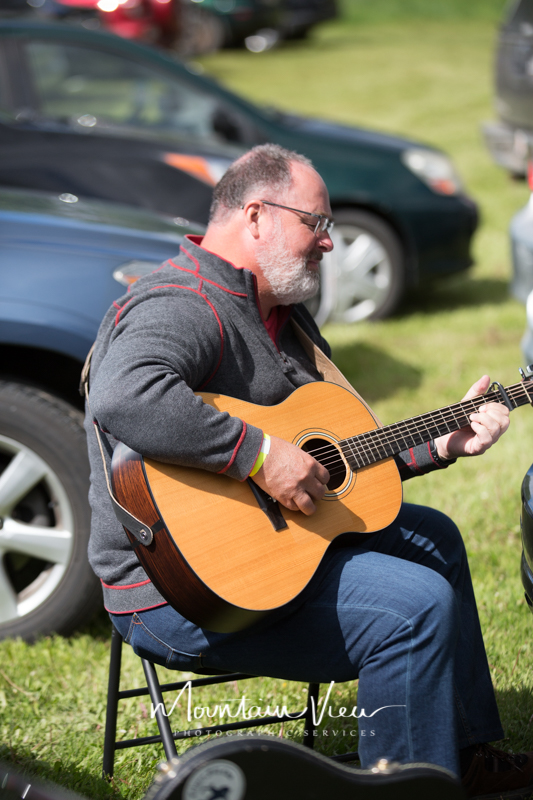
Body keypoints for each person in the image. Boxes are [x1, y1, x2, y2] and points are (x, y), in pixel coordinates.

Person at [84, 144, 531, 799]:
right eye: (316, 224)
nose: (328, 242)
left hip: (267, 555)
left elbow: (332, 456)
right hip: (176, 590)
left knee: (435, 540)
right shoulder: (182, 303)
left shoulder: (284, 315)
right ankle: (403, 789)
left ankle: (457, 758)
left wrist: (442, 443)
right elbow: (123, 395)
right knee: (412, 608)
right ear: (256, 215)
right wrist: (257, 457)